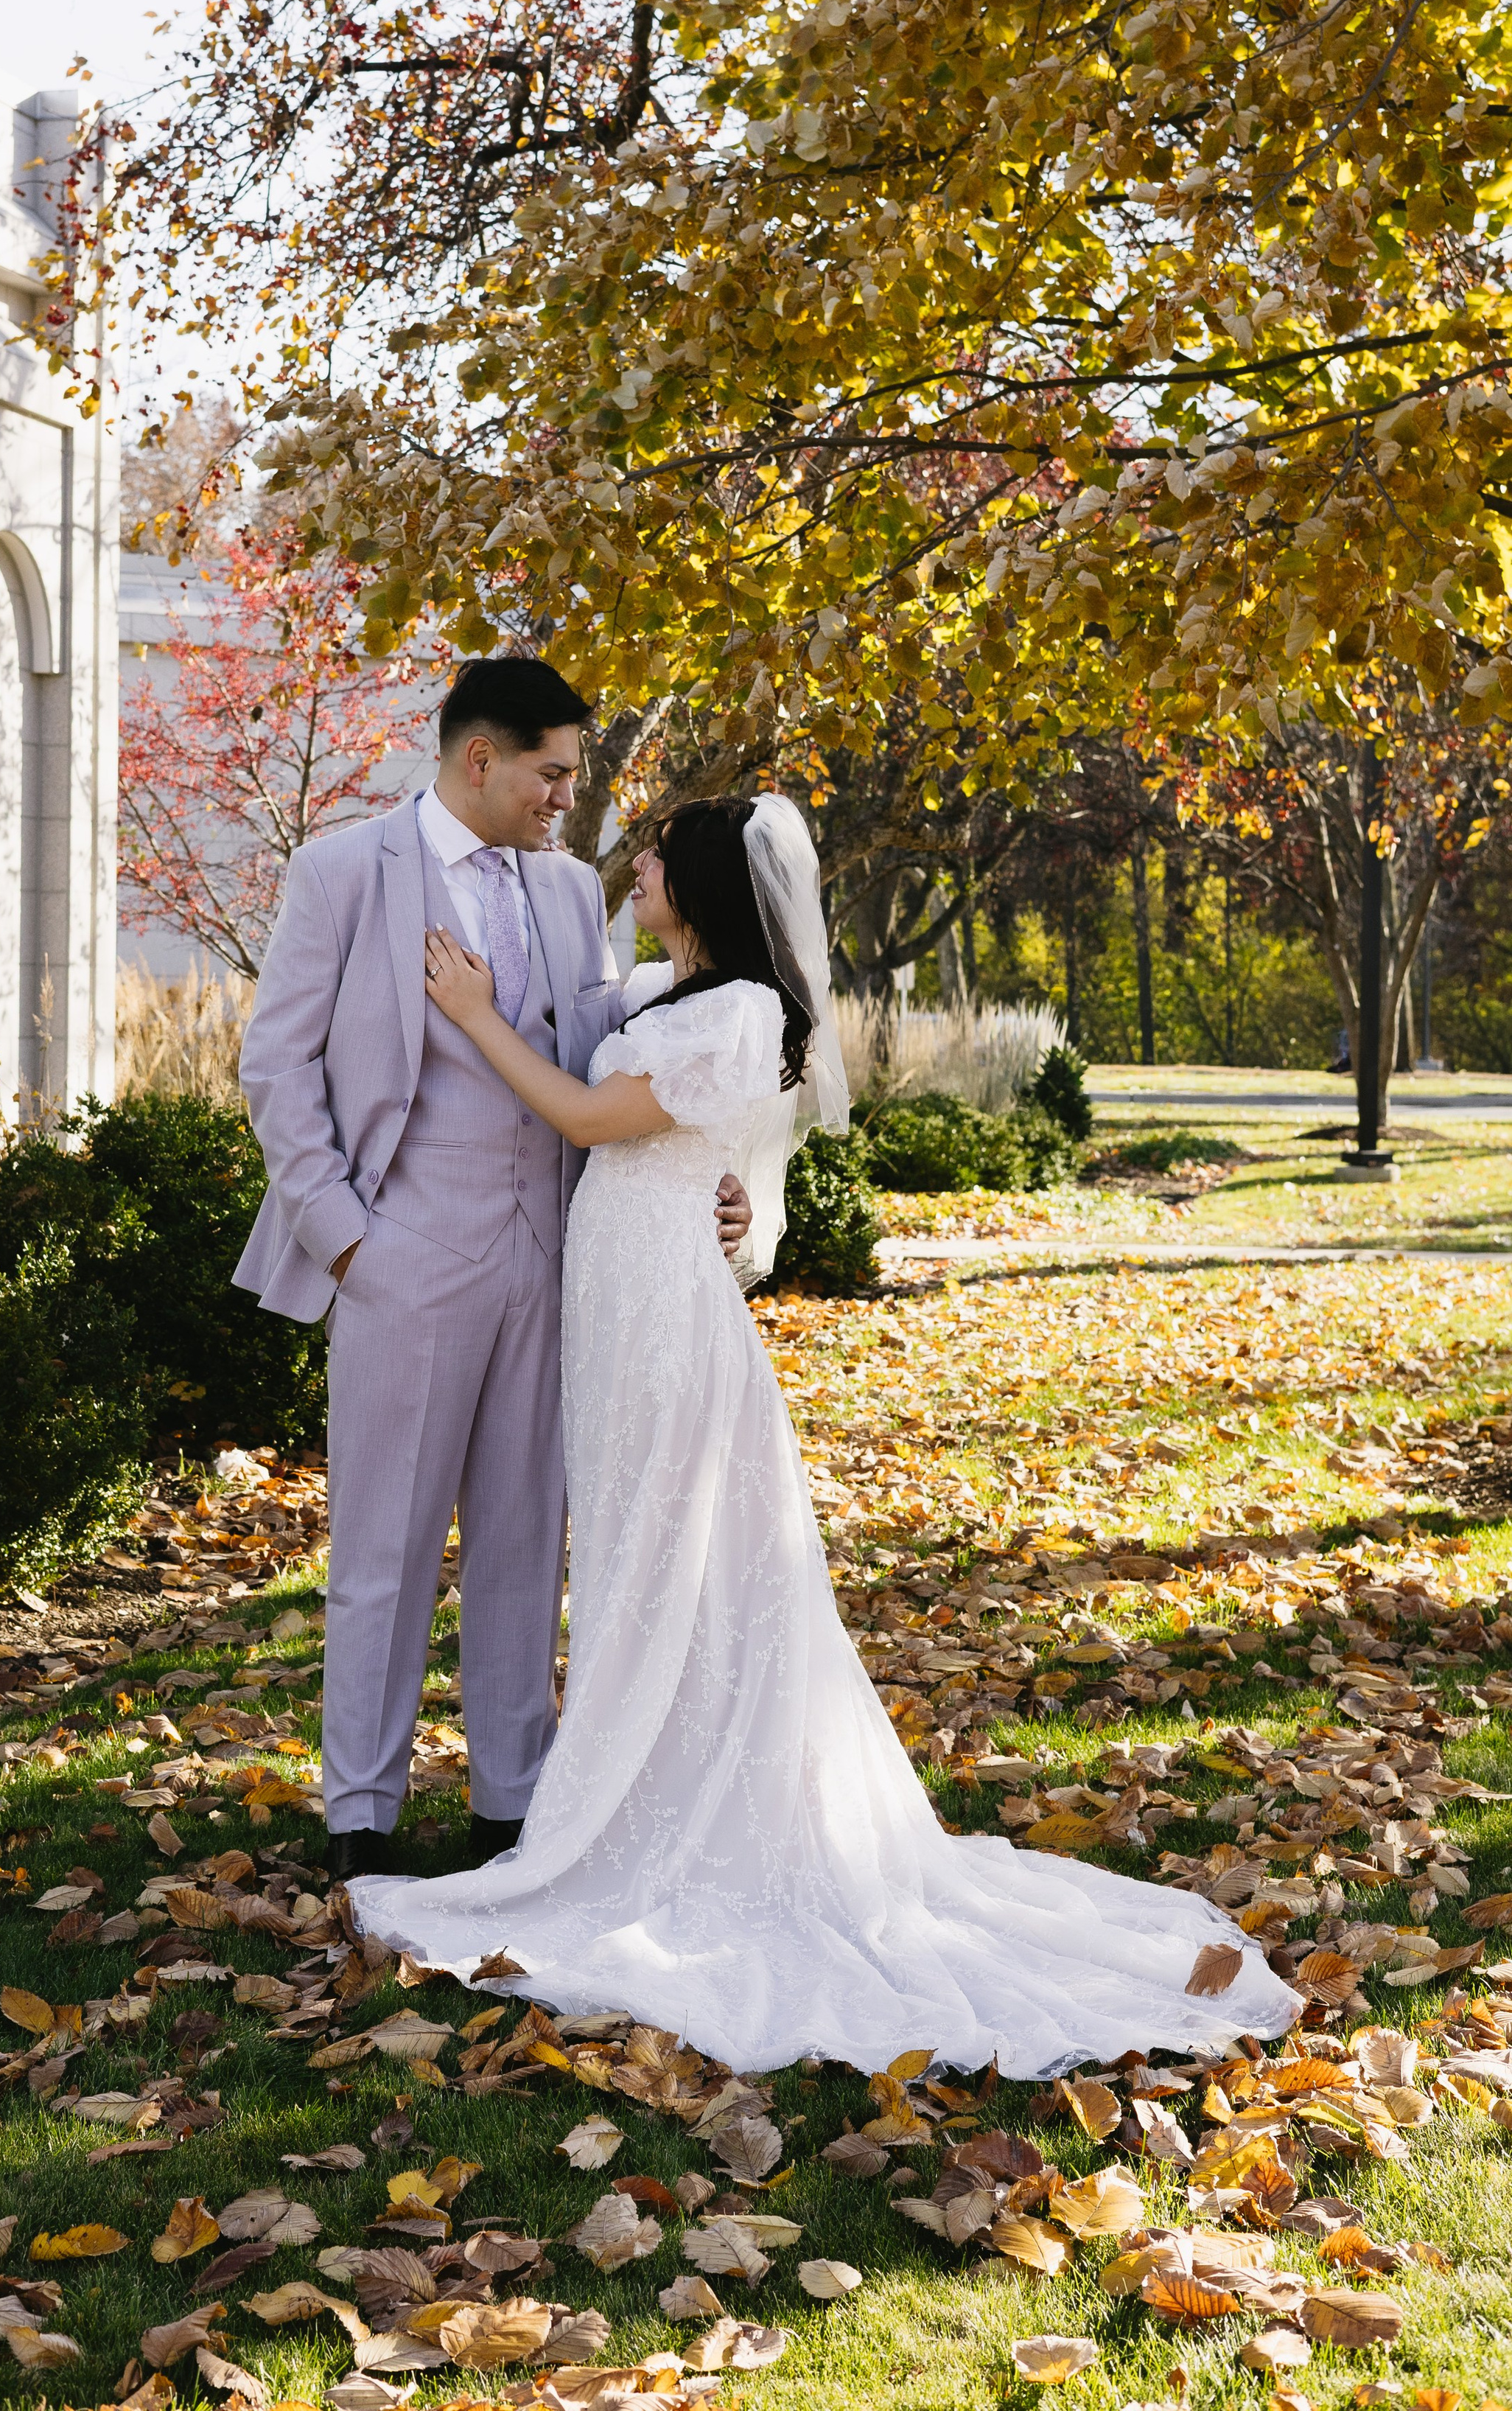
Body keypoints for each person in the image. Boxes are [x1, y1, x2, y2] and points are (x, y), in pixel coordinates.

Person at [346, 793, 1303, 2076]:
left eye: (657, 854)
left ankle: (652, 1823)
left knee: (664, 1569)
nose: (634, 864)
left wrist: (470, 1021)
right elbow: (716, 1160)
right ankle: (632, 1794)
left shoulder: (741, 1012)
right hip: (618, 1314)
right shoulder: (659, 989)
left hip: (668, 1325)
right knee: (631, 1565)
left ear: (704, 885)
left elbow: (596, 1127)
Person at [236, 657, 751, 1885]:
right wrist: (349, 1238)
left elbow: (627, 1058)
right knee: (385, 1547)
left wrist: (711, 1183)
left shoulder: (574, 893)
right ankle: (361, 1814)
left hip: (554, 1257)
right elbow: (277, 1067)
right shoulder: (346, 873)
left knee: (529, 1543)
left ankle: (512, 1811)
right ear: (483, 759)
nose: (567, 800)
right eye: (553, 773)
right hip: (402, 1253)